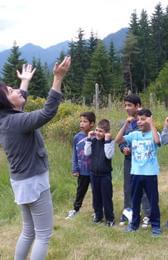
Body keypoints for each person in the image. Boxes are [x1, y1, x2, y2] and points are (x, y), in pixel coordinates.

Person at [0, 57, 71, 260]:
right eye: (11, 91)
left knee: (28, 231)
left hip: (21, 183)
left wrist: (24, 81)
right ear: (5, 102)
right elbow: (48, 112)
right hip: (33, 183)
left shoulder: (5, 119)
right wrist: (58, 79)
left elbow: (18, 103)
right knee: (43, 235)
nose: (17, 91)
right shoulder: (17, 122)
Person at [115, 109, 162, 236]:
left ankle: (156, 226)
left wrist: (152, 124)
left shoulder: (154, 133)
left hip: (150, 174)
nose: (140, 122)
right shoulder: (134, 134)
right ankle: (134, 224)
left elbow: (157, 142)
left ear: (149, 119)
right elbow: (118, 140)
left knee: (153, 201)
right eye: (138, 120)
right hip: (135, 173)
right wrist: (125, 124)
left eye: (143, 119)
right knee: (135, 200)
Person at [118, 94, 151, 228]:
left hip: (142, 160)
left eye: (130, 105)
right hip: (128, 160)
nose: (127, 108)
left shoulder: (145, 120)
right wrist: (123, 148)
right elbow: (120, 139)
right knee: (128, 187)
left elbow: (148, 137)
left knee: (143, 188)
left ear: (138, 106)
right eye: (125, 105)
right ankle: (128, 211)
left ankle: (148, 214)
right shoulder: (124, 123)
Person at [84, 119, 115, 227]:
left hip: (105, 175)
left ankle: (110, 218)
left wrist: (107, 140)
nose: (97, 133)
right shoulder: (93, 141)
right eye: (96, 130)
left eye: (101, 131)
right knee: (96, 197)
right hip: (94, 174)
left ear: (106, 132)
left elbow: (108, 155)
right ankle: (98, 215)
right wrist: (88, 138)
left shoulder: (110, 142)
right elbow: (87, 153)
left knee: (106, 197)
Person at [66, 112, 96, 219]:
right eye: (81, 121)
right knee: (80, 191)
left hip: (94, 171)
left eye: (85, 121)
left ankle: (97, 211)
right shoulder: (77, 137)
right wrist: (75, 168)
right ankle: (75, 209)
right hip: (82, 171)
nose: (82, 124)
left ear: (92, 124)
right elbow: (74, 154)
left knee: (96, 191)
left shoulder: (96, 136)